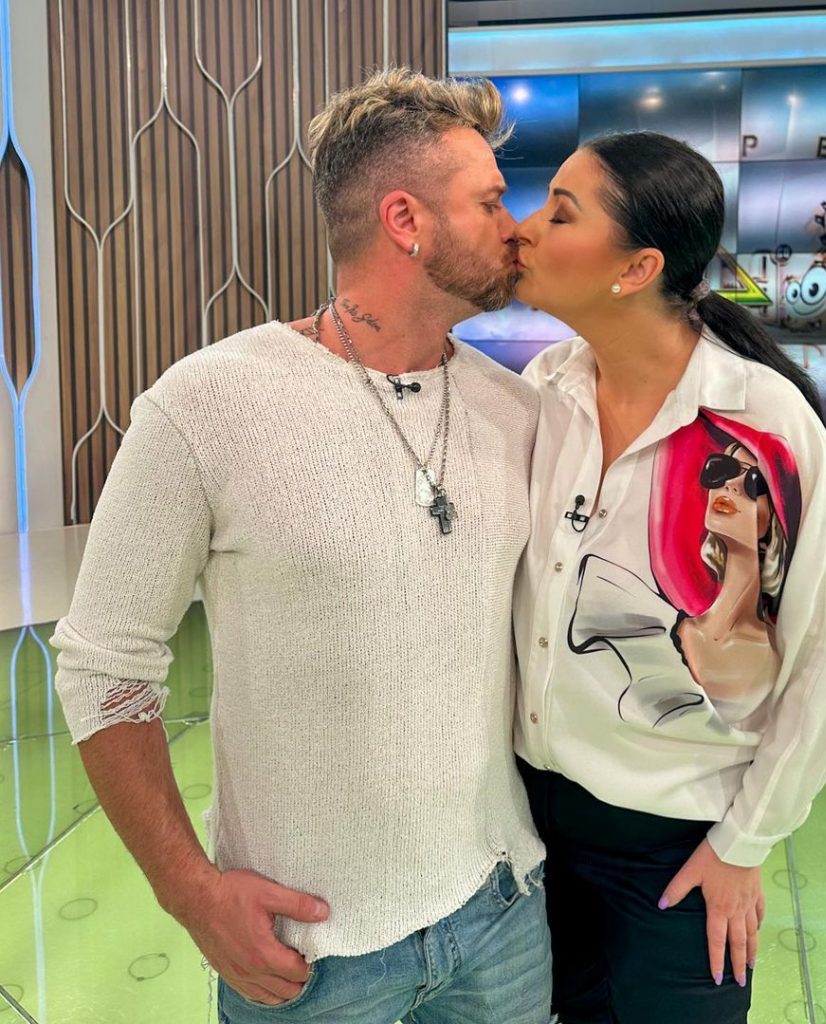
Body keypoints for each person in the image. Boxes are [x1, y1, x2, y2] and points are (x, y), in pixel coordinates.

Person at [51, 69, 552, 1024]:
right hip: (304, 952)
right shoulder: (208, 404)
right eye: (490, 202)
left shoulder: (517, 411)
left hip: (501, 911)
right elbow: (104, 663)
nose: (514, 226)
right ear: (405, 220)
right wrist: (189, 891)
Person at [511, 130, 826, 1023]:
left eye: (560, 213)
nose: (523, 228)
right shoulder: (546, 388)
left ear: (635, 269)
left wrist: (746, 841)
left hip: (678, 849)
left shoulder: (759, 424)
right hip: (532, 827)